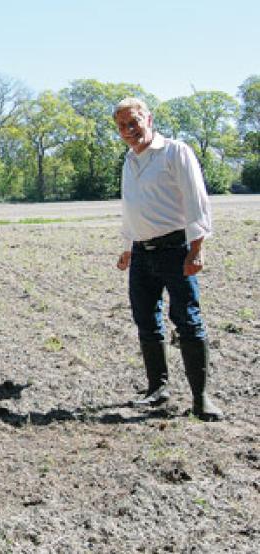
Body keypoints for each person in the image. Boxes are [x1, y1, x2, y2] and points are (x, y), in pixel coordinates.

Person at [113, 97, 223, 421]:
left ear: (148, 118)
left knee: (188, 320)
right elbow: (132, 207)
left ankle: (201, 398)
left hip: (176, 251)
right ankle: (157, 389)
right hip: (142, 254)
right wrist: (128, 247)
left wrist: (197, 249)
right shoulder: (129, 162)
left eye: (133, 122)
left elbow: (196, 201)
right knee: (146, 321)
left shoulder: (175, 151)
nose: (129, 130)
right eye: (122, 126)